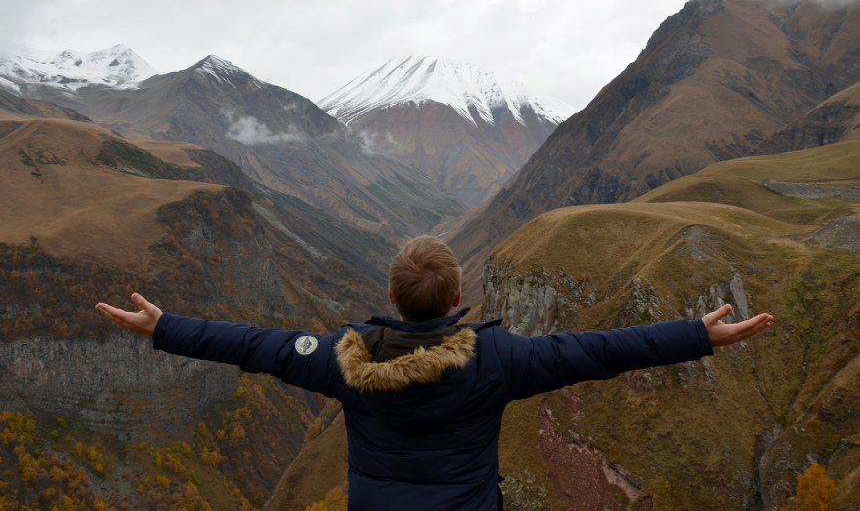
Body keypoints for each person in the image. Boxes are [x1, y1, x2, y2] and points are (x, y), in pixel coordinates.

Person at [96, 235, 772, 510]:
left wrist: (163, 326)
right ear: (457, 302)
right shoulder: (499, 361)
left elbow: (251, 344)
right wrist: (694, 335)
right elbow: (595, 353)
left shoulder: (341, 362)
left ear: (390, 298)